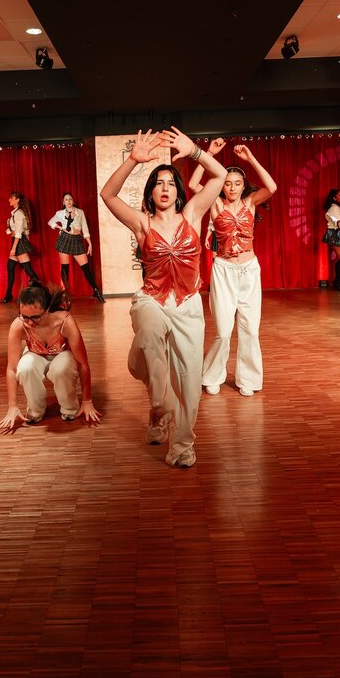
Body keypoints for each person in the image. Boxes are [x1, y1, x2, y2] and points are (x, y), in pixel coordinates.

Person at [100, 127, 226, 468]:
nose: (165, 188)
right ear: (151, 192)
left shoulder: (193, 215)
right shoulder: (142, 223)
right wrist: (132, 160)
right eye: (159, 183)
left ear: (179, 191)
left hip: (188, 304)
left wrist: (196, 152)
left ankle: (181, 444)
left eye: (171, 183)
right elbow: (108, 195)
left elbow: (219, 176)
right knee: (148, 340)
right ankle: (160, 403)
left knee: (189, 380)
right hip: (152, 299)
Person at [188, 138, 277, 397]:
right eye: (227, 183)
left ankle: (249, 379)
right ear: (222, 185)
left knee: (250, 329)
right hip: (223, 269)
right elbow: (193, 184)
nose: (232, 187)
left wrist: (251, 159)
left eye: (237, 183)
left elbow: (271, 187)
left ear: (243, 185)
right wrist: (208, 153)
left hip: (249, 270)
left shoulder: (250, 202)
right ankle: (212, 375)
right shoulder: (215, 203)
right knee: (224, 331)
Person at [0, 284, 101, 432]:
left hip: (62, 355)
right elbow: (12, 369)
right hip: (35, 355)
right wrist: (12, 406)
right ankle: (35, 410)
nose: (29, 322)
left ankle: (69, 408)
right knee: (25, 367)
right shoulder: (18, 325)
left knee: (61, 368)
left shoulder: (65, 321)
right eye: (24, 316)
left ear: (46, 311)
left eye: (35, 317)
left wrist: (87, 400)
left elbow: (83, 364)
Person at [47, 192, 104, 302]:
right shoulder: (60, 213)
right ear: (63, 202)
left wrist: (90, 243)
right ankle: (65, 294)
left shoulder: (80, 212)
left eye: (70, 199)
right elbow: (50, 222)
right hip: (64, 239)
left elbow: (85, 229)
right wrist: (60, 227)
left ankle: (96, 291)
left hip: (77, 240)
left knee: (86, 269)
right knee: (65, 269)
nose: (68, 201)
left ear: (73, 201)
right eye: (66, 199)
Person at [3, 191, 43, 303]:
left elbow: (19, 233)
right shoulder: (15, 213)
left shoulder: (19, 213)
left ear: (17, 200)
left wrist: (14, 248)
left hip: (19, 242)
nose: (9, 200)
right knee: (10, 266)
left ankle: (43, 292)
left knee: (28, 270)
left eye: (12, 198)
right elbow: (23, 231)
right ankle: (8, 294)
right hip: (18, 241)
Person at [322, 188, 340, 292]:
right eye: (339, 195)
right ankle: (338, 283)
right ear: (334, 198)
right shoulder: (333, 208)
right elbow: (338, 222)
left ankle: (337, 282)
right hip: (336, 233)